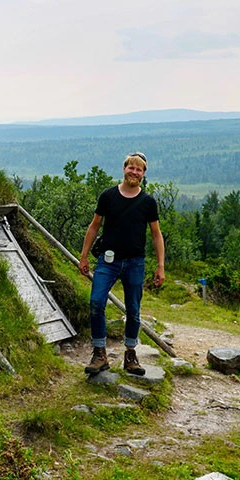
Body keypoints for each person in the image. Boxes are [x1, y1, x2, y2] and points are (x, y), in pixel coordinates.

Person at [77, 152, 165, 376]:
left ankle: (130, 354)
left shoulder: (148, 202)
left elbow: (156, 234)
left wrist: (160, 266)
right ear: (124, 169)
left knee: (133, 309)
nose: (134, 172)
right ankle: (99, 353)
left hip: (135, 262)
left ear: (143, 174)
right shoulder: (108, 196)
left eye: (139, 169)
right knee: (96, 302)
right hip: (107, 261)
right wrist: (84, 256)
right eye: (131, 168)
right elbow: (94, 226)